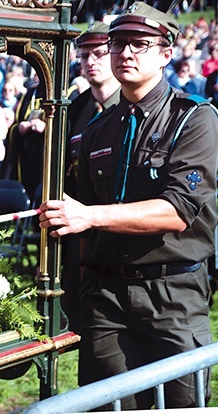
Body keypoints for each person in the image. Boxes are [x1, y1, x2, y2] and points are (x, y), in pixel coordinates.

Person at [39, 3, 218, 409]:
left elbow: (177, 210)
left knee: (181, 407)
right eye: (118, 44)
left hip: (171, 295)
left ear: (165, 54)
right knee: (106, 406)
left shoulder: (193, 120)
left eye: (140, 44)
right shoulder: (97, 130)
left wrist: (90, 216)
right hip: (106, 297)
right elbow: (76, 217)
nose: (126, 53)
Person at [63, 21, 121, 333]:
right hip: (77, 229)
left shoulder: (127, 107)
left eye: (99, 53)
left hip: (117, 225)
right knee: (80, 318)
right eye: (84, 55)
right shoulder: (76, 109)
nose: (91, 62)